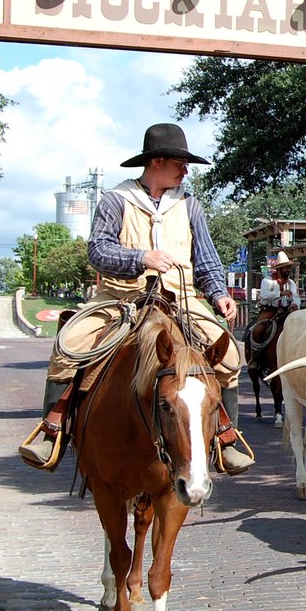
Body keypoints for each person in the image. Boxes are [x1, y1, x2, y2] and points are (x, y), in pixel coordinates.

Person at [18, 123, 252, 475]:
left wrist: (219, 293)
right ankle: (52, 432)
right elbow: (97, 251)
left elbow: (205, 258)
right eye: (180, 163)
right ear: (157, 161)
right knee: (70, 344)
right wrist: (141, 258)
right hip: (120, 297)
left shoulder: (190, 205)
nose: (185, 170)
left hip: (180, 298)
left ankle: (225, 438)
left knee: (230, 356)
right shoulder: (116, 199)